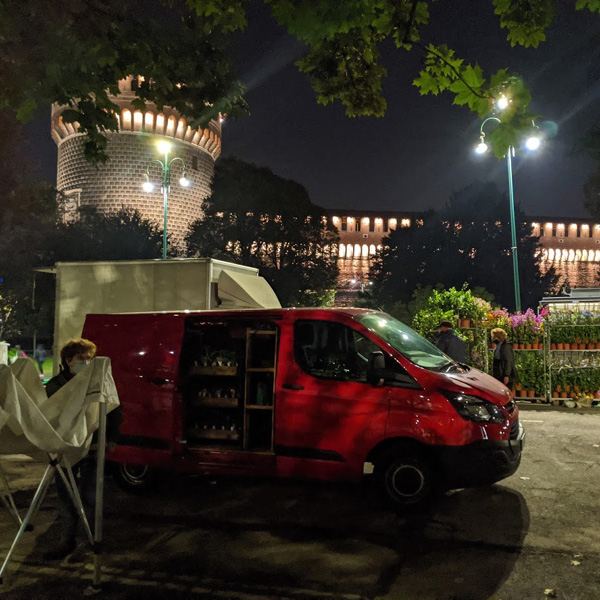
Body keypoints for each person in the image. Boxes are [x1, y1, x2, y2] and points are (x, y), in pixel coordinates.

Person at [44, 338, 122, 560]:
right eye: (82, 359)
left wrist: (112, 437)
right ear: (69, 360)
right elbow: (49, 416)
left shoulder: (96, 382)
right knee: (66, 496)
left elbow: (114, 407)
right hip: (65, 449)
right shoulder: (55, 386)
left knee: (90, 496)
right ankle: (66, 541)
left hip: (93, 446)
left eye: (90, 359)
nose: (87, 363)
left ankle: (92, 542)